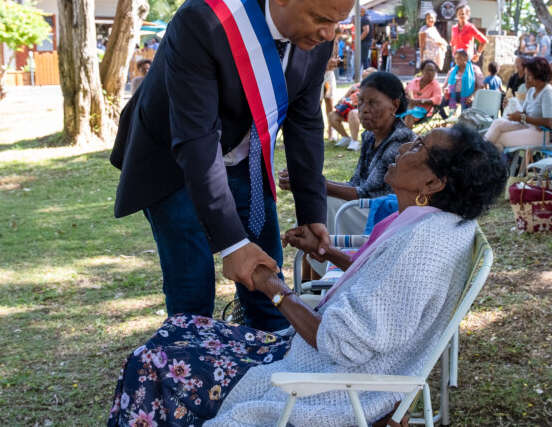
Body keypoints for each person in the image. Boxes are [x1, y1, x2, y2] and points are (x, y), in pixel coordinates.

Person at [107, 124, 508, 427]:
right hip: (302, 355)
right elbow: (385, 288)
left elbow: (341, 344)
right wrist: (327, 252)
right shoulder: (429, 226)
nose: (404, 146)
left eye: (419, 146)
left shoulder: (423, 245)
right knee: (179, 327)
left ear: (433, 182)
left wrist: (274, 288)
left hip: (320, 382)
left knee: (150, 361)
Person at [109, 0, 358, 332]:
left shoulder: (317, 38)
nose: (329, 34)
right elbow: (196, 139)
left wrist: (312, 212)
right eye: (321, 19)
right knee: (193, 291)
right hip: (175, 162)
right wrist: (232, 244)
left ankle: (266, 363)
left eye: (338, 23)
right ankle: (193, 360)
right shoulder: (206, 21)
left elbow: (305, 123)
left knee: (268, 280)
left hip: (246, 161)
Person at [282, 71, 416, 234]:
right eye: (361, 101)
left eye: (372, 103)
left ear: (394, 105)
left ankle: (315, 248)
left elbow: (367, 195)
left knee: (326, 204)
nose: (364, 109)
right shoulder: (370, 136)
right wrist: (309, 180)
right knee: (317, 200)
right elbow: (356, 184)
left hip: (390, 217)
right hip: (369, 208)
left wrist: (311, 183)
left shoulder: (400, 141)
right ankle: (312, 248)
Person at [484, 57, 552, 151]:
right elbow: (524, 114)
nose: (526, 78)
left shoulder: (548, 93)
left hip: (546, 134)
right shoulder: (532, 91)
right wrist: (512, 109)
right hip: (530, 126)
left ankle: (480, 155)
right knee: (498, 123)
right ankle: (480, 152)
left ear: (539, 75)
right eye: (526, 74)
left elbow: (548, 123)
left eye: (529, 75)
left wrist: (522, 117)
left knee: (499, 138)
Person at [440, 49, 484, 117]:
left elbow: (480, 86)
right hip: (453, 96)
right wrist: (445, 92)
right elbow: (444, 86)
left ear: (466, 58)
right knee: (438, 103)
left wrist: (472, 96)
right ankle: (447, 118)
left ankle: (466, 120)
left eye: (460, 58)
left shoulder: (474, 69)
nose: (457, 60)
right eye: (456, 58)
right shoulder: (452, 71)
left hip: (469, 95)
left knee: (472, 104)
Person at [401, 60, 443, 129]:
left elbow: (437, 99)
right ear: (422, 71)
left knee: (410, 112)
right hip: (409, 106)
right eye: (427, 70)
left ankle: (406, 134)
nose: (430, 72)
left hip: (424, 111)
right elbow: (405, 92)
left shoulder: (435, 85)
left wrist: (419, 101)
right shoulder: (414, 81)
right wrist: (407, 98)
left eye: (432, 70)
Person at [328, 81, 363, 151]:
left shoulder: (373, 87)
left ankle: (355, 141)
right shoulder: (357, 86)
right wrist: (343, 100)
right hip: (349, 109)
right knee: (332, 115)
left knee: (353, 113)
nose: (365, 72)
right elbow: (344, 97)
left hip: (364, 111)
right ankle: (346, 138)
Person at [323, 33, 340, 140]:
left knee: (329, 101)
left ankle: (330, 131)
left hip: (328, 74)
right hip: (317, 74)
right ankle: (319, 130)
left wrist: (336, 61)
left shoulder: (335, 40)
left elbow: (335, 56)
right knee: (316, 103)